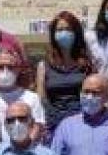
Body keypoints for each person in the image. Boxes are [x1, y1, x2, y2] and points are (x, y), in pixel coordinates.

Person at [37, 11, 95, 142]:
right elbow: (41, 99)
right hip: (54, 127)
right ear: (53, 34)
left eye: (68, 29)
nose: (64, 33)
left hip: (83, 125)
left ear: (76, 33)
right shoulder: (43, 66)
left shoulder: (88, 64)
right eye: (59, 30)